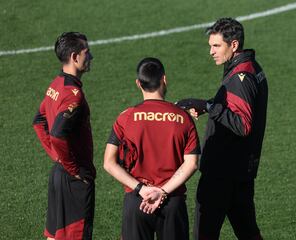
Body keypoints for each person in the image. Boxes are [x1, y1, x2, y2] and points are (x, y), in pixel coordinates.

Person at [176, 18, 268, 240]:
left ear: (234, 45)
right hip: (238, 172)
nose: (211, 52)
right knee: (248, 233)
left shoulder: (240, 77)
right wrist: (208, 105)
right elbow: (236, 106)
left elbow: (242, 124)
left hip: (222, 175)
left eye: (216, 46)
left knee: (204, 235)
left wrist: (209, 106)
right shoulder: (251, 67)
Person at [103, 57, 201, 240]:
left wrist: (141, 189)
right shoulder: (183, 118)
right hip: (172, 202)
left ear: (138, 84)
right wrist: (162, 192)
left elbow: (109, 163)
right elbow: (192, 163)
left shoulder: (125, 118)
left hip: (137, 200)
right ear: (164, 79)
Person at [33, 32, 96, 240]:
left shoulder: (56, 85)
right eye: (87, 52)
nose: (91, 57)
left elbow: (39, 121)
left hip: (58, 175)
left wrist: (56, 157)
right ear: (75, 57)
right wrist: (73, 168)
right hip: (73, 180)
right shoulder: (72, 95)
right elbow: (58, 134)